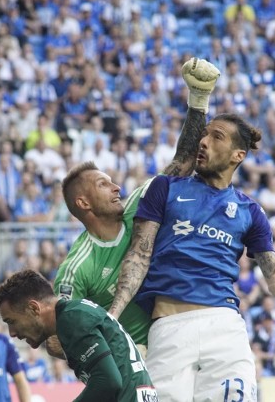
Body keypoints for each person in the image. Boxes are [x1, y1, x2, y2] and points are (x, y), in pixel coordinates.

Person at [109, 113, 275, 401]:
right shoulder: (166, 187)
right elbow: (139, 255)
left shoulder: (250, 211)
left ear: (238, 155)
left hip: (224, 329)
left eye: (216, 136)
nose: (204, 142)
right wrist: (112, 316)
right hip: (169, 330)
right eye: (204, 135)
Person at [52, 57, 220, 352]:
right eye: (103, 184)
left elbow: (182, 163)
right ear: (83, 202)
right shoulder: (78, 267)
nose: (116, 186)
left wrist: (198, 100)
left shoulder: (140, 207)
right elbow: (57, 340)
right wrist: (115, 351)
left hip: (180, 337)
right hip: (138, 363)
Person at [0, 269, 158, 401]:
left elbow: (108, 381)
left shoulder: (72, 319)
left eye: (11, 321)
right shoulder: (75, 313)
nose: (12, 333)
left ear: (34, 308)